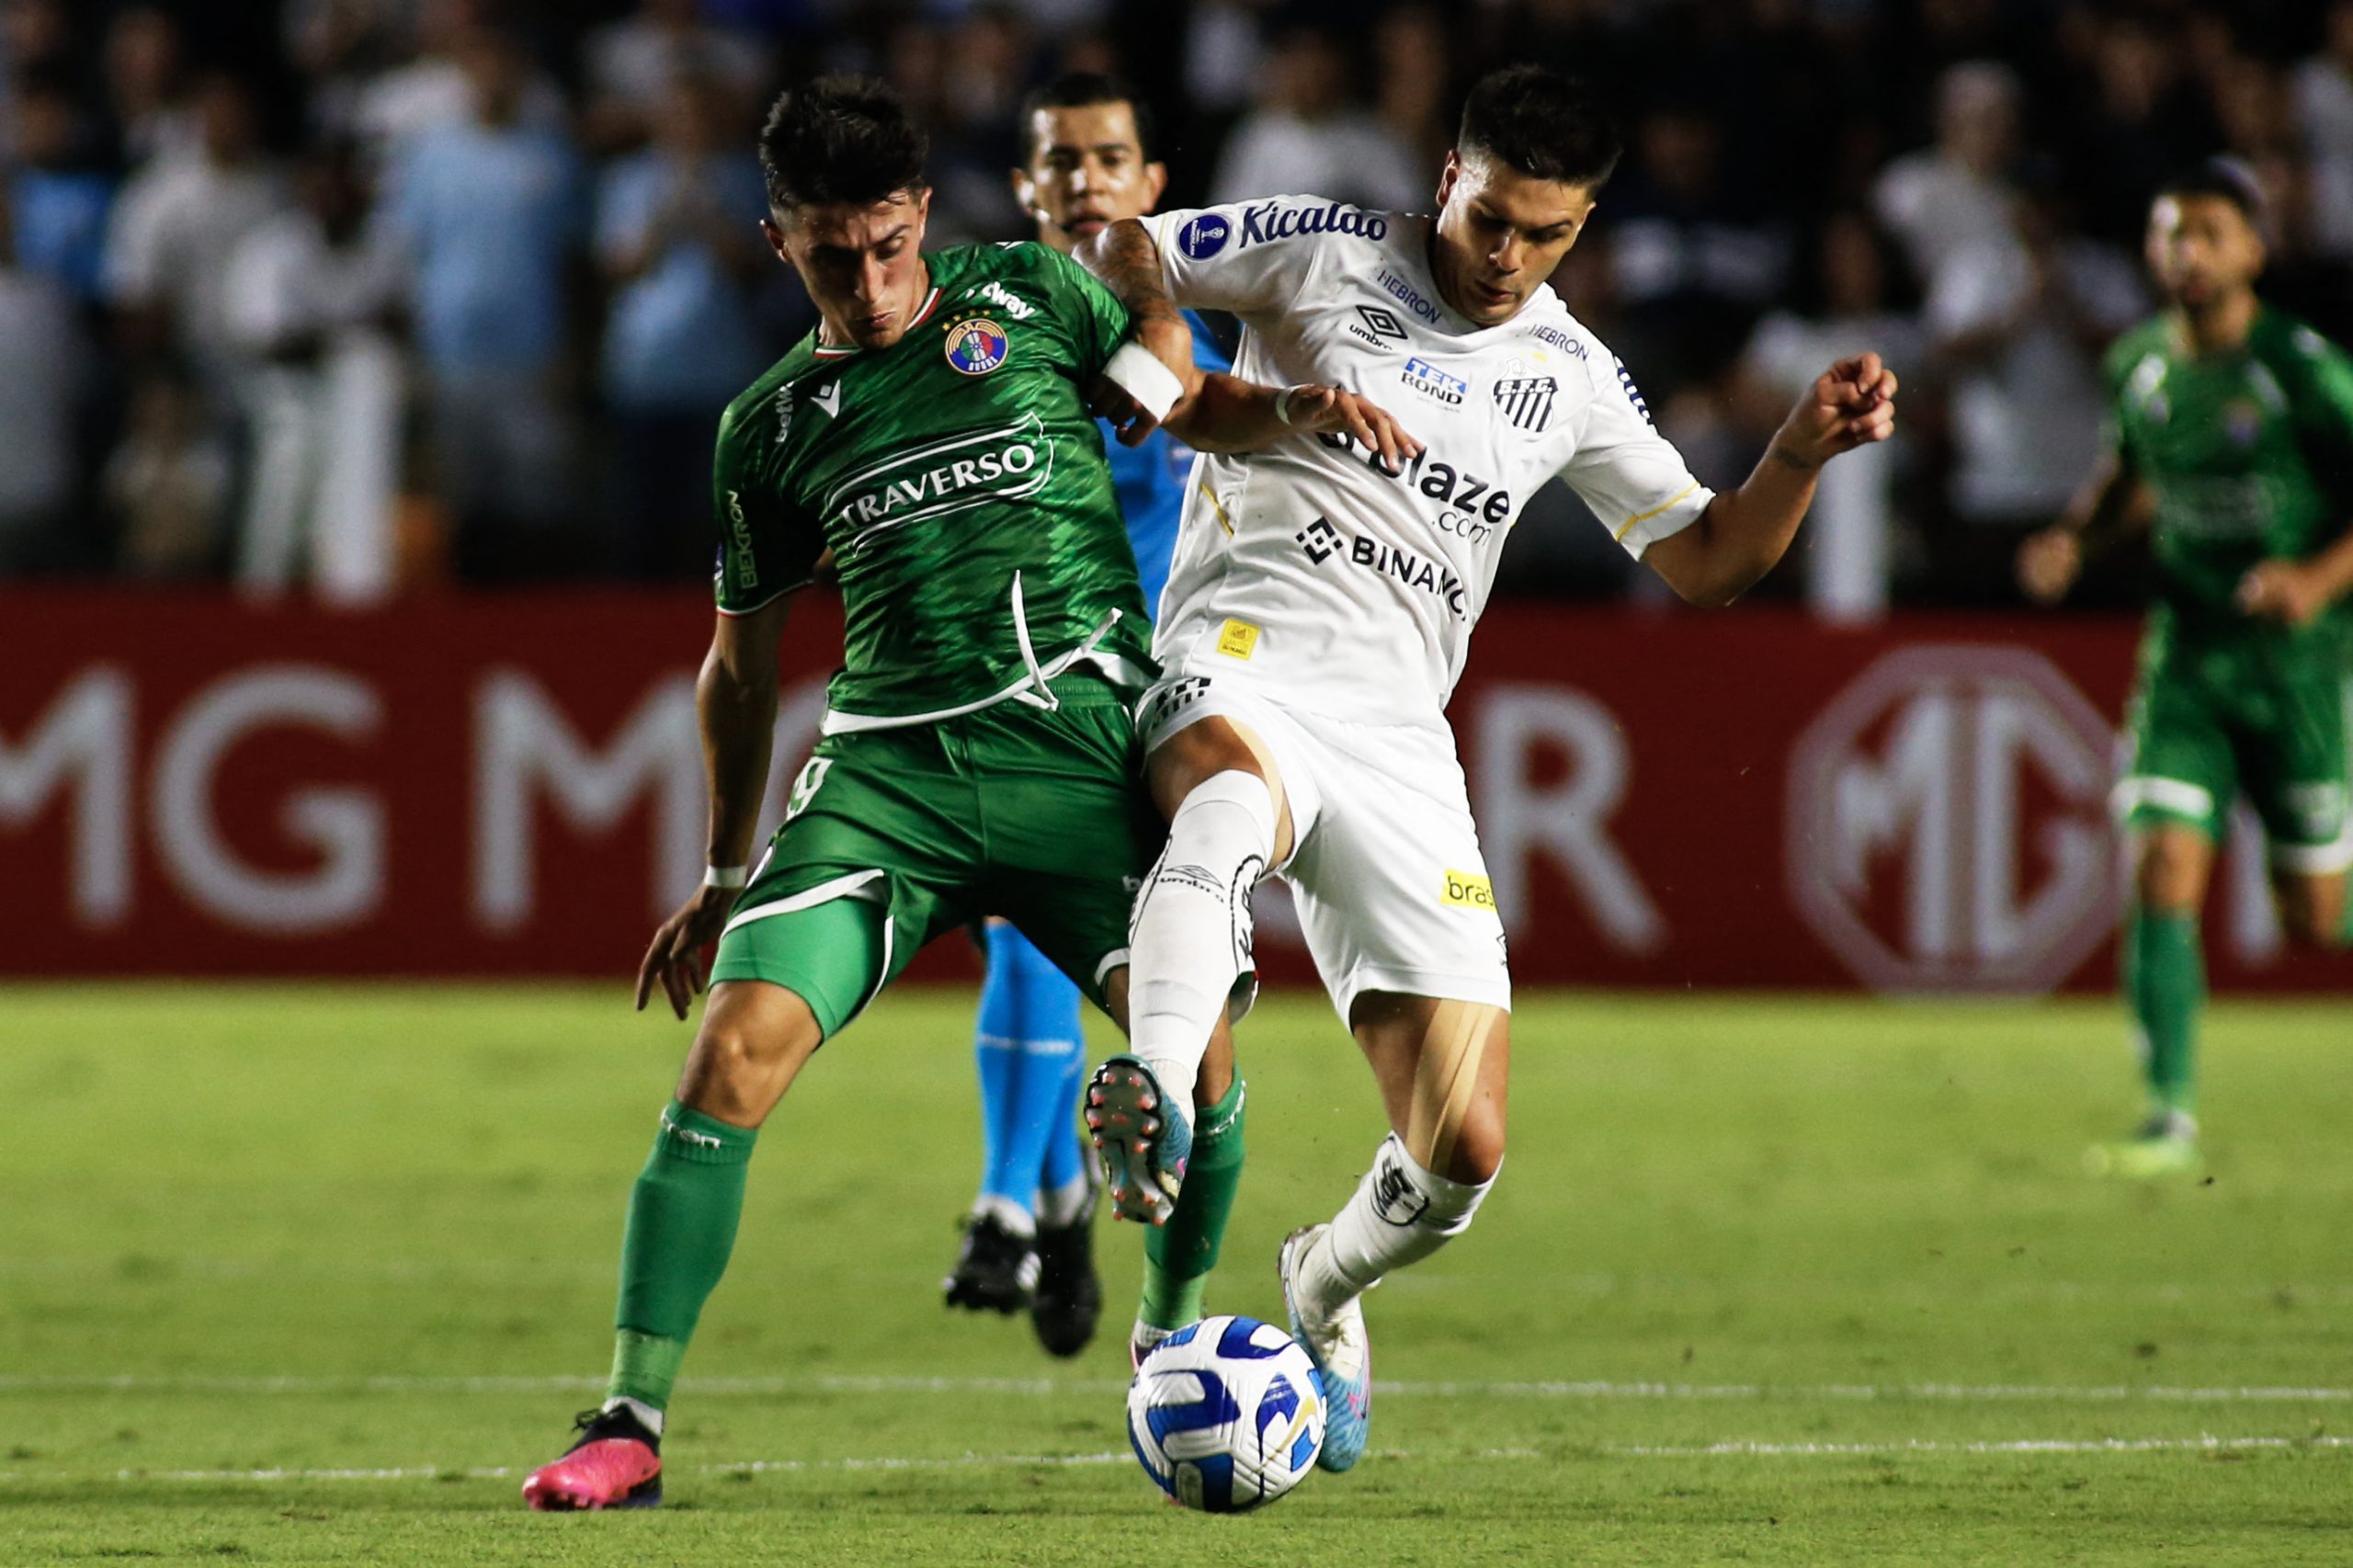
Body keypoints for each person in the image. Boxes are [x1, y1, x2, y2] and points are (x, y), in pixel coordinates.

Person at [518, 74, 1415, 1512]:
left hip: (1081, 759)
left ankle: (1168, 1339)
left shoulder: (1031, 300)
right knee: (730, 1052)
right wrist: (723, 868)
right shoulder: (769, 427)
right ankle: (627, 1416)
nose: (869, 284)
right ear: (778, 243)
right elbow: (736, 673)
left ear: (923, 216)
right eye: (830, 254)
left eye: (886, 245)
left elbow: (1189, 400)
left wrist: (1299, 409)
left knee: (1204, 1067)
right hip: (889, 779)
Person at [1075, 64, 1897, 1471]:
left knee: (1463, 1146)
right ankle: (1149, 1100)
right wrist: (1172, 333)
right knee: (1218, 804)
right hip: (1239, 654)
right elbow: (1130, 244)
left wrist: (1797, 451)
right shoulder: (1325, 251)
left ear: (1581, 228)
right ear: (1445, 174)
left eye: (1548, 233)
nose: (1509, 255)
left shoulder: (1568, 375)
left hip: (1398, 735)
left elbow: (1705, 558)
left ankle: (1319, 1283)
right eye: (1491, 216)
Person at [935, 71, 1234, 1359]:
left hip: (1170, 693)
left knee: (1084, 945)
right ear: (1025, 188)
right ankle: (1017, 1201)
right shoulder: (981, 338)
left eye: (1109, 157)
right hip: (1031, 670)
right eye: (1060, 162)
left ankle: (1047, 1195)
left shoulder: (1203, 348)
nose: (1086, 181)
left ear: (1153, 184)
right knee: (1030, 922)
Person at [2018, 161, 2353, 1179]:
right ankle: (2167, 1113)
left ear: (2254, 248)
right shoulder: (2139, 365)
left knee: (2312, 921)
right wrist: (2076, 538)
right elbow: (2127, 472)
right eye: (2171, 234)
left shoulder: (2298, 366)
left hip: (2294, 668)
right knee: (2162, 865)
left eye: (2210, 232)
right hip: (2188, 661)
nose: (2188, 252)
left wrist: (2313, 577)